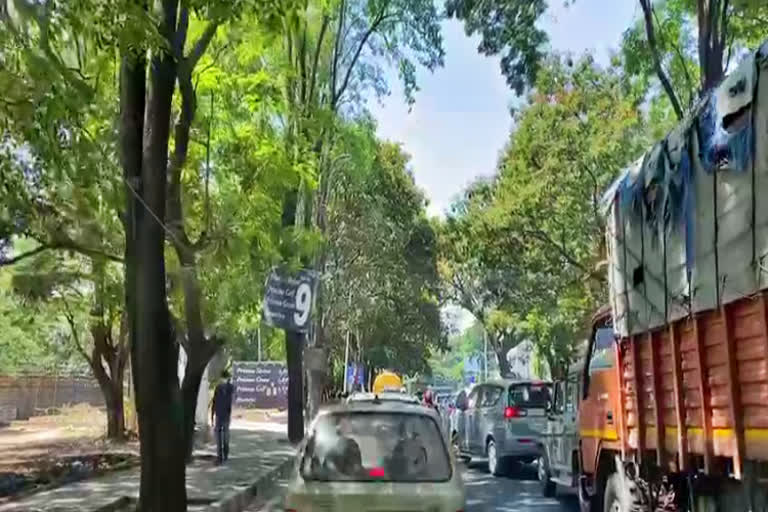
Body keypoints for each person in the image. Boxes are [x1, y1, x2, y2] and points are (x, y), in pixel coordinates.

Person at [211, 369, 234, 464]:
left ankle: (225, 454)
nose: (223, 380)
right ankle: (220, 456)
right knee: (219, 437)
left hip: (225, 415)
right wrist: (212, 415)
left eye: (225, 378)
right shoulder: (218, 388)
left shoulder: (230, 388)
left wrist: (227, 382)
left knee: (225, 436)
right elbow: (214, 401)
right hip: (219, 415)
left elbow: (231, 390)